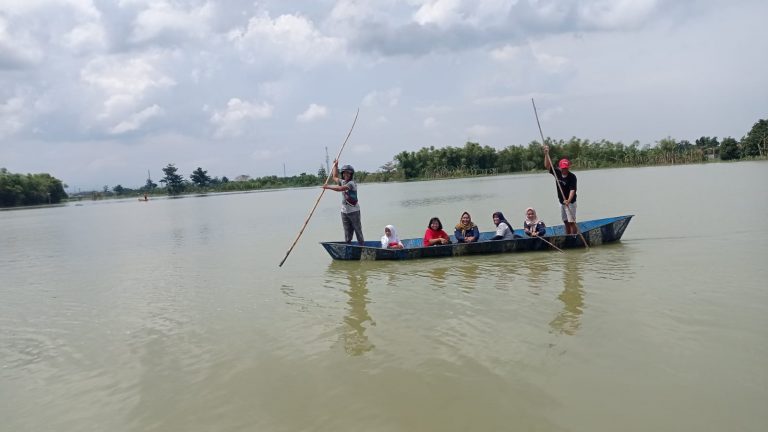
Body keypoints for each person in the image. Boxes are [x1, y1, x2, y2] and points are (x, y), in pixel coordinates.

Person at [322, 160, 363, 245]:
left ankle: (362, 246)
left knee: (357, 230)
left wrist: (328, 187)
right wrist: (336, 166)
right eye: (344, 173)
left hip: (354, 211)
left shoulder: (352, 183)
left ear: (351, 174)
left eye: (348, 173)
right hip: (344, 212)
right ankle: (348, 245)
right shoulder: (343, 181)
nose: (346, 175)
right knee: (347, 231)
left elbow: (340, 189)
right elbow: (334, 177)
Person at [544, 145, 578, 235]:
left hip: (570, 202)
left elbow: (572, 190)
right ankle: (568, 235)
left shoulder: (572, 177)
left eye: (566, 168)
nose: (564, 170)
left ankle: (574, 236)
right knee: (566, 221)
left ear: (568, 167)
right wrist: (546, 154)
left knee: (571, 221)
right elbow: (547, 166)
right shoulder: (557, 173)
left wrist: (568, 200)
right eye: (563, 168)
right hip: (561, 201)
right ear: (560, 167)